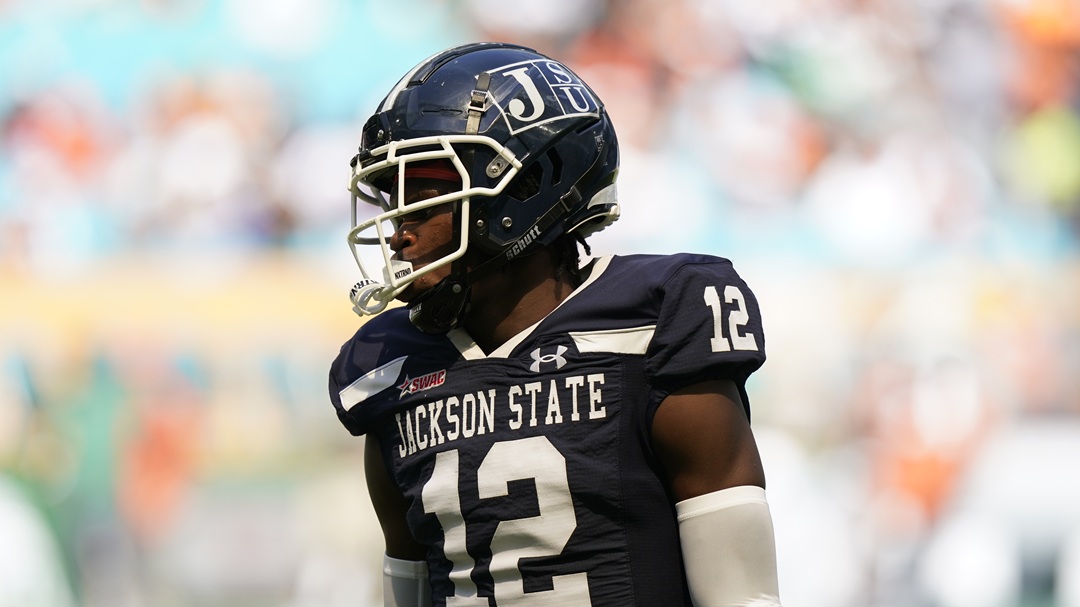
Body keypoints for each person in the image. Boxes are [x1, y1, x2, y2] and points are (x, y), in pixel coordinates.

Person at [328, 42, 782, 607]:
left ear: (527, 186)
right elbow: (410, 586)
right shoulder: (386, 366)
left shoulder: (651, 320)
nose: (397, 231)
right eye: (391, 201)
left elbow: (742, 595)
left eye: (422, 200)